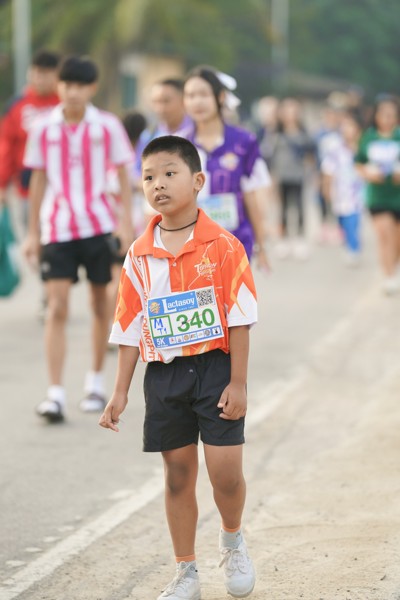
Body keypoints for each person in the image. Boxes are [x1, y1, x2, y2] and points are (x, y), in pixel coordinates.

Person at [99, 135, 258, 600]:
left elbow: (240, 317)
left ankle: (233, 539)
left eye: (170, 173)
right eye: (149, 177)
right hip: (165, 376)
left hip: (216, 370)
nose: (159, 185)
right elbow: (129, 326)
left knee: (225, 472)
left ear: (198, 180)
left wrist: (238, 383)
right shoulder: (138, 254)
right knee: (178, 475)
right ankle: (186, 570)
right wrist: (120, 391)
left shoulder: (224, 247)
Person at [22, 55, 134, 422]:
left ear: (92, 88)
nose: (72, 92)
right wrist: (33, 232)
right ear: (59, 86)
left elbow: (124, 173)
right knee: (57, 306)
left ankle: (95, 383)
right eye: (67, 84)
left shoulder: (107, 126)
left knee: (101, 303)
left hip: (99, 224)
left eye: (80, 85)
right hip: (58, 227)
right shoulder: (43, 127)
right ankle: (55, 393)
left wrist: (125, 224)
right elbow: (38, 179)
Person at [183, 65, 270, 270]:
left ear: (220, 97)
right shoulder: (179, 145)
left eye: (203, 94)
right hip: (191, 244)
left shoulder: (244, 142)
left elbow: (251, 195)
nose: (197, 102)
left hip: (235, 242)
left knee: (233, 292)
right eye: (190, 96)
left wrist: (261, 245)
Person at [0, 49, 61, 223]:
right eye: (36, 73)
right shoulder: (17, 105)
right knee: (27, 233)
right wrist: (2, 184)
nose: (40, 79)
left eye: (46, 74)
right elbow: (6, 146)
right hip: (25, 188)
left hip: (60, 189)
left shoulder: (65, 104)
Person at [355, 95, 400, 294]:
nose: (388, 118)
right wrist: (368, 174)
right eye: (384, 114)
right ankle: (388, 275)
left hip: (397, 196)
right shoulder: (369, 137)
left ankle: (393, 267)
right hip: (378, 197)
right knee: (384, 235)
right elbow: (358, 163)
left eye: (392, 114)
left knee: (397, 240)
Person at [270, 97, 316, 260]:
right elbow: (271, 157)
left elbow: (312, 154)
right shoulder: (276, 134)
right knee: (282, 210)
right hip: (281, 177)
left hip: (298, 176)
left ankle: (300, 240)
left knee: (300, 208)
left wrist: (311, 171)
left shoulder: (304, 134)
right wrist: (272, 178)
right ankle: (283, 239)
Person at [321, 110, 365, 266]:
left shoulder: (362, 148)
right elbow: (328, 170)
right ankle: (348, 243)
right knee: (343, 221)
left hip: (357, 193)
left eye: (351, 126)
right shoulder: (335, 148)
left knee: (353, 220)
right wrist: (326, 188)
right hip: (340, 192)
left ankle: (354, 248)